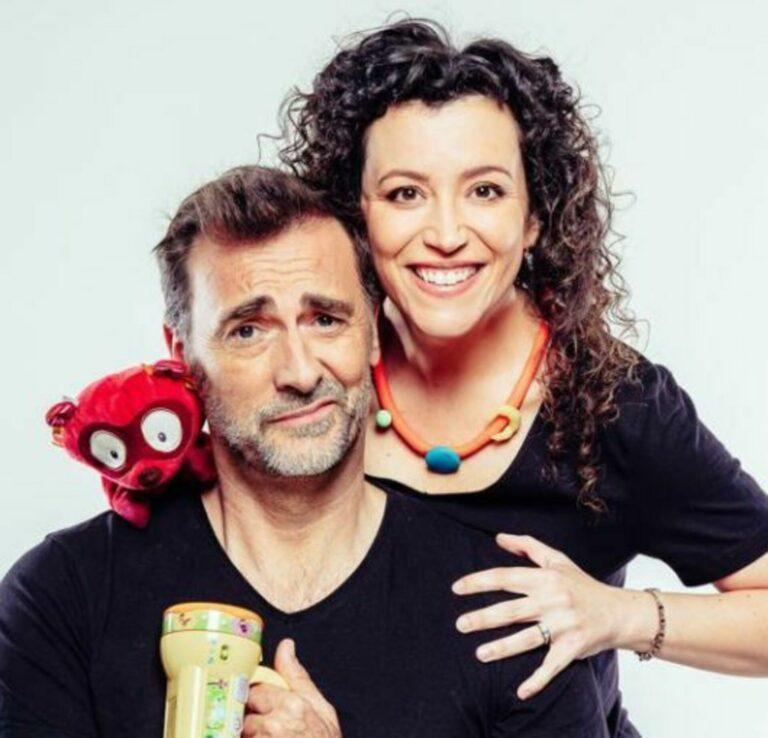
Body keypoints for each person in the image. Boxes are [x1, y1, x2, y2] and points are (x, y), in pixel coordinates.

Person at [277, 18, 768, 737]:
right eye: (406, 193)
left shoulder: (615, 402)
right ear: (356, 215)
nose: (446, 234)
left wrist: (620, 616)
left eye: (485, 191)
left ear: (536, 216)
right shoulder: (308, 372)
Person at [0, 166, 610, 737]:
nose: (299, 372)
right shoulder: (65, 594)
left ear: (373, 333)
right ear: (184, 357)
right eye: (247, 330)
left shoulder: (505, 609)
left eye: (325, 320)